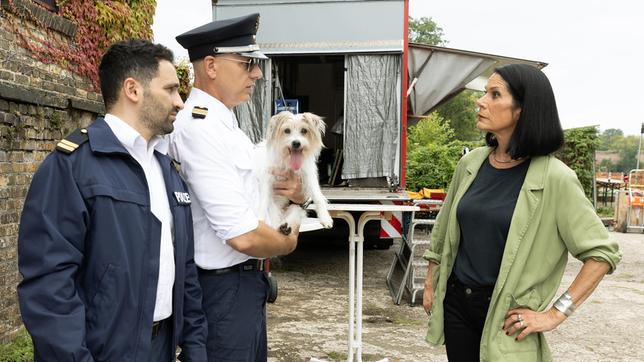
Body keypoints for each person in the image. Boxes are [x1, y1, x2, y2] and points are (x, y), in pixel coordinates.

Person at [17, 39, 207, 361]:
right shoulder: (72, 167)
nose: (180, 102)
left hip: (161, 349)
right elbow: (50, 287)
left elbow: (186, 274)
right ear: (133, 90)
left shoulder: (167, 170)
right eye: (171, 90)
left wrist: (195, 349)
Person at [421, 63, 621, 362]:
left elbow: (602, 255)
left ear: (523, 110)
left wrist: (555, 314)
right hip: (457, 306)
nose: (481, 101)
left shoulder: (556, 178)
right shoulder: (471, 165)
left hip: (507, 318)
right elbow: (444, 229)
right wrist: (431, 282)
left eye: (494, 94)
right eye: (484, 92)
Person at [169, 13, 305, 361]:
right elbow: (242, 236)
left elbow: (262, 192)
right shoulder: (200, 127)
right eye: (247, 64)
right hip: (222, 288)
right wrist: (288, 242)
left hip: (243, 285)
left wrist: (295, 194)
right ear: (211, 66)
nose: (257, 74)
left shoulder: (224, 122)